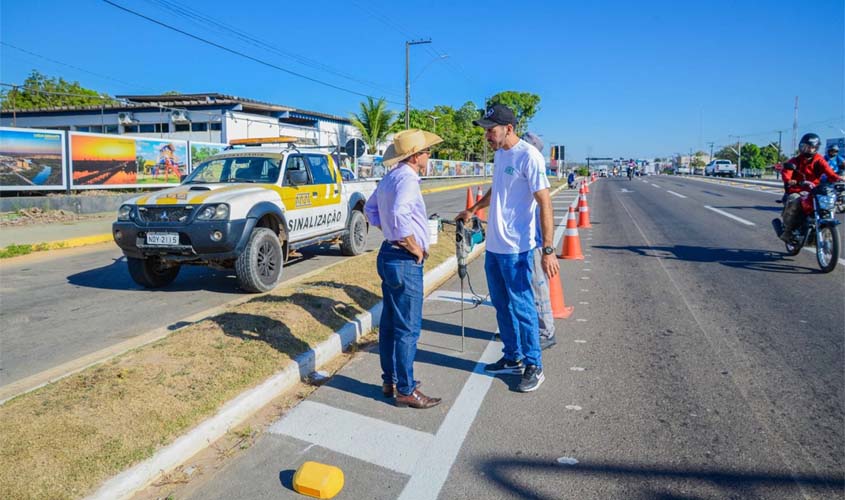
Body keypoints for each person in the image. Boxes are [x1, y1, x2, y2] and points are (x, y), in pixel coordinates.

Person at [458, 104, 559, 393]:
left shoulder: (529, 156)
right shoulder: (501, 154)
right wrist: (474, 209)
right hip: (495, 247)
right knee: (501, 306)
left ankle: (534, 364)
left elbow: (544, 201)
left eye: (491, 130)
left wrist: (548, 249)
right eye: (486, 130)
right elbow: (498, 189)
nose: (487, 136)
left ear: (509, 129)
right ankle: (512, 356)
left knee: (523, 308)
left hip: (517, 249)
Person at [364, 128, 443, 409]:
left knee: (389, 323)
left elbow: (370, 210)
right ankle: (406, 389)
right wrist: (413, 246)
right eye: (426, 152)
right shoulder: (408, 179)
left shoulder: (390, 177)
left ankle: (391, 380)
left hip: (388, 253)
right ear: (415, 156)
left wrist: (389, 231)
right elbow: (398, 213)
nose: (429, 156)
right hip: (403, 258)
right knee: (408, 327)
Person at [521, 131, 557, 350]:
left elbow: (545, 209)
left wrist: (547, 249)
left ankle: (546, 331)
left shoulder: (535, 171)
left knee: (537, 290)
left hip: (534, 242)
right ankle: (523, 331)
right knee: (523, 292)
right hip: (521, 242)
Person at [777, 133, 842, 242]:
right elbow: (786, 173)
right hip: (797, 190)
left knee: (829, 203)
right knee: (794, 200)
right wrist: (789, 180)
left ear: (816, 148)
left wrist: (839, 179)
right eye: (806, 147)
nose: (809, 150)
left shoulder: (819, 160)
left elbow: (829, 172)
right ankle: (787, 232)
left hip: (814, 190)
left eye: (812, 147)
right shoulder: (795, 161)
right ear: (801, 146)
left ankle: (825, 230)